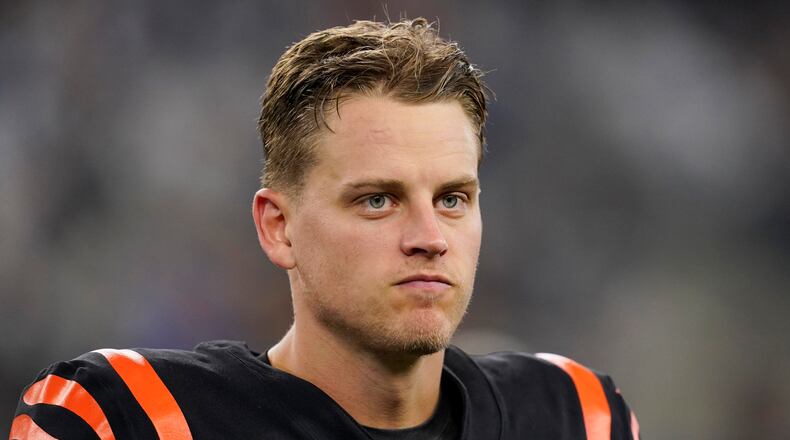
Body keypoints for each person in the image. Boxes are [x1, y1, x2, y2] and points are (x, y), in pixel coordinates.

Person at [9, 18, 640, 440]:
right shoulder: (125, 418)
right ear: (278, 228)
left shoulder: (576, 416)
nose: (430, 236)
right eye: (377, 200)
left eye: (452, 198)